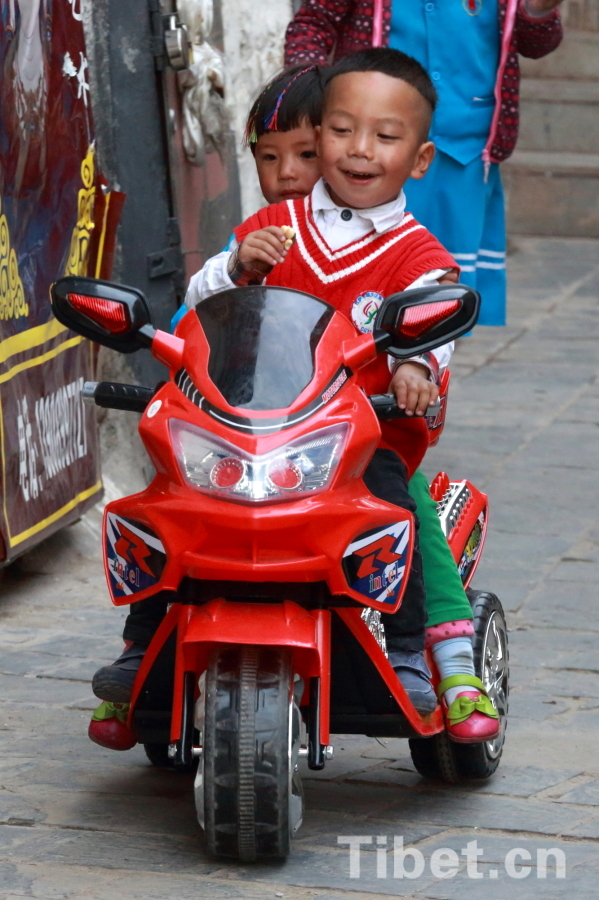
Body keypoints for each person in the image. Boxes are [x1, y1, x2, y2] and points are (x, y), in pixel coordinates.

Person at [93, 56, 497, 744]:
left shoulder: (418, 256)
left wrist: (414, 368)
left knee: (400, 506)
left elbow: (434, 328)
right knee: (168, 502)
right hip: (248, 430)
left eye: (384, 136)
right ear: (324, 134)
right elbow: (197, 315)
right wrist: (237, 265)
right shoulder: (273, 226)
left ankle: (428, 654)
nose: (360, 150)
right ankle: (142, 643)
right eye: (342, 131)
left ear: (421, 159)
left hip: (357, 439)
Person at [284, 0, 564, 326]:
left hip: (465, 155)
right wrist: (314, 96)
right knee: (359, 290)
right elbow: (312, 25)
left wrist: (539, 9)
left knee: (440, 306)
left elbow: (533, 43)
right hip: (371, 153)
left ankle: (421, 368)